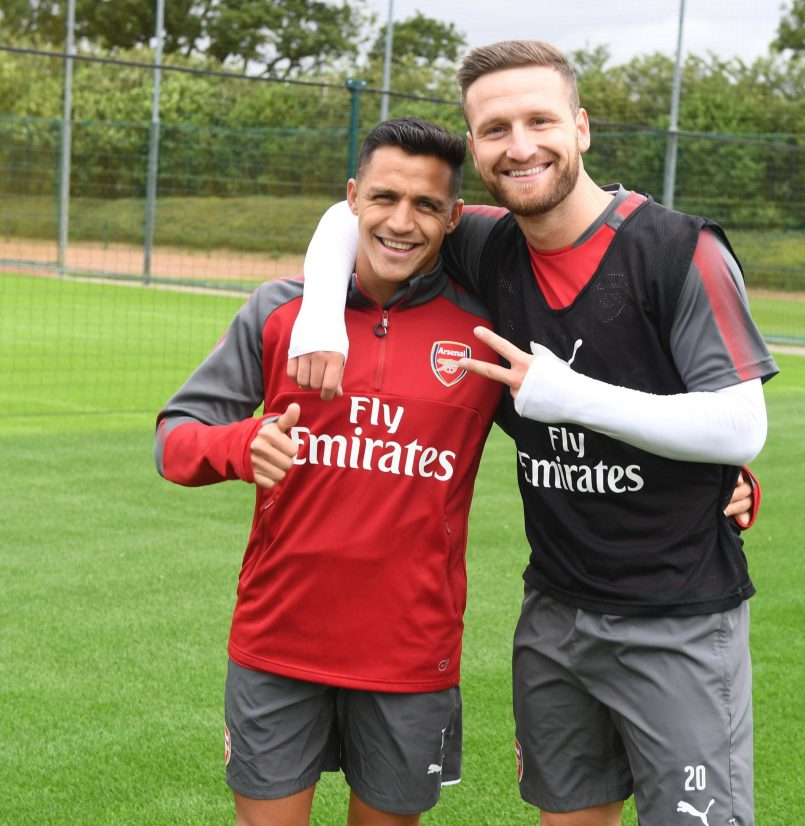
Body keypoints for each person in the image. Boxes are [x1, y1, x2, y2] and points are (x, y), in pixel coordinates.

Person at [286, 40, 778, 826]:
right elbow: (350, 212)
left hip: (678, 615)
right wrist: (321, 318)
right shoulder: (486, 245)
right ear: (475, 148)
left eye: (540, 120)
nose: (519, 145)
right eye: (494, 129)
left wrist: (573, 396)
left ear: (580, 128)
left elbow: (740, 423)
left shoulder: (680, 250)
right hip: (553, 609)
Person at [154, 118, 505, 826]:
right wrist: (242, 445)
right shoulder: (279, 312)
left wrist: (725, 482)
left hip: (410, 655)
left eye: (426, 206)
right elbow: (174, 441)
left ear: (453, 217)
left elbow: (573, 439)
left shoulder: (485, 332)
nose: (401, 222)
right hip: (277, 642)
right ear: (351, 199)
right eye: (383, 198)